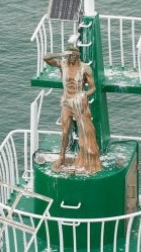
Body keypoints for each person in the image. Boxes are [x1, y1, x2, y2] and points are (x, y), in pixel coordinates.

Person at [43, 46, 102, 174]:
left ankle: (87, 158)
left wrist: (85, 95)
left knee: (85, 132)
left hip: (78, 102)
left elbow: (93, 88)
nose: (73, 58)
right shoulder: (62, 64)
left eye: (75, 56)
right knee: (64, 131)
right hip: (66, 102)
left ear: (78, 56)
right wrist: (60, 53)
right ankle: (62, 157)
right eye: (70, 56)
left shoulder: (85, 68)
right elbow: (45, 58)